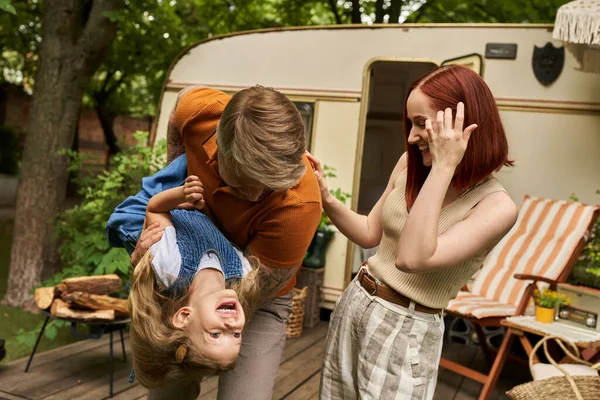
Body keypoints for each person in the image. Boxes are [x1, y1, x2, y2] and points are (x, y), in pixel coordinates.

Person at [309, 64, 518, 399]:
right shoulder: (410, 165)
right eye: (410, 124)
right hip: (357, 301)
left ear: (461, 125)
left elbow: (412, 258)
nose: (410, 137)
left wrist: (446, 166)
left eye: (421, 124)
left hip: (405, 326)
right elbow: (368, 232)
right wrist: (326, 198)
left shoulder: (496, 207)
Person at [106, 85, 321, 399]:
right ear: (221, 149)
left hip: (252, 296)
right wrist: (175, 177)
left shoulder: (299, 206)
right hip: (187, 282)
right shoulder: (200, 111)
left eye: (269, 188)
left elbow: (253, 292)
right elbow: (179, 110)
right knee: (169, 385)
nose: (256, 197)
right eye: (246, 183)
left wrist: (211, 325)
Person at [128, 175, 261, 389]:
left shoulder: (172, 268)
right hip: (198, 204)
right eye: (236, 334)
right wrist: (201, 208)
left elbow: (155, 210)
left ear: (184, 316)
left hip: (165, 196)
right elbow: (215, 231)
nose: (231, 325)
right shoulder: (241, 273)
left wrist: (182, 194)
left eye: (216, 334)